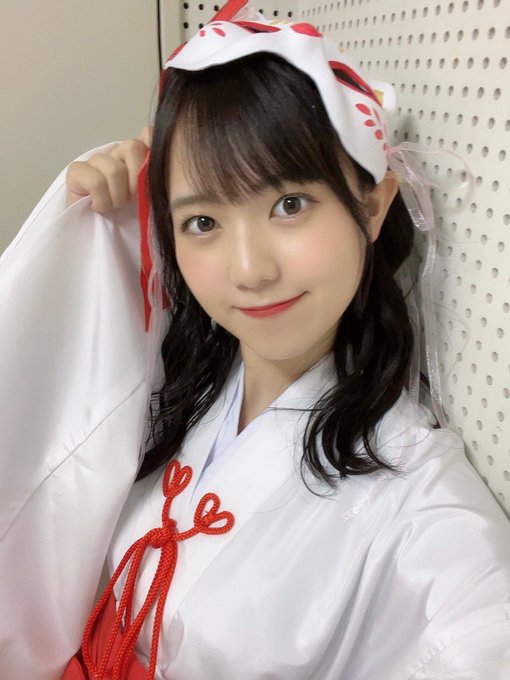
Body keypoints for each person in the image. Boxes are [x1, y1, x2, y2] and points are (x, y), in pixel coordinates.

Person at [1, 2, 509, 679]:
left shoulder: (418, 499)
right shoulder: (178, 377)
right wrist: (94, 235)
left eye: (289, 204)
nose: (249, 271)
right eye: (203, 222)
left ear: (371, 205)